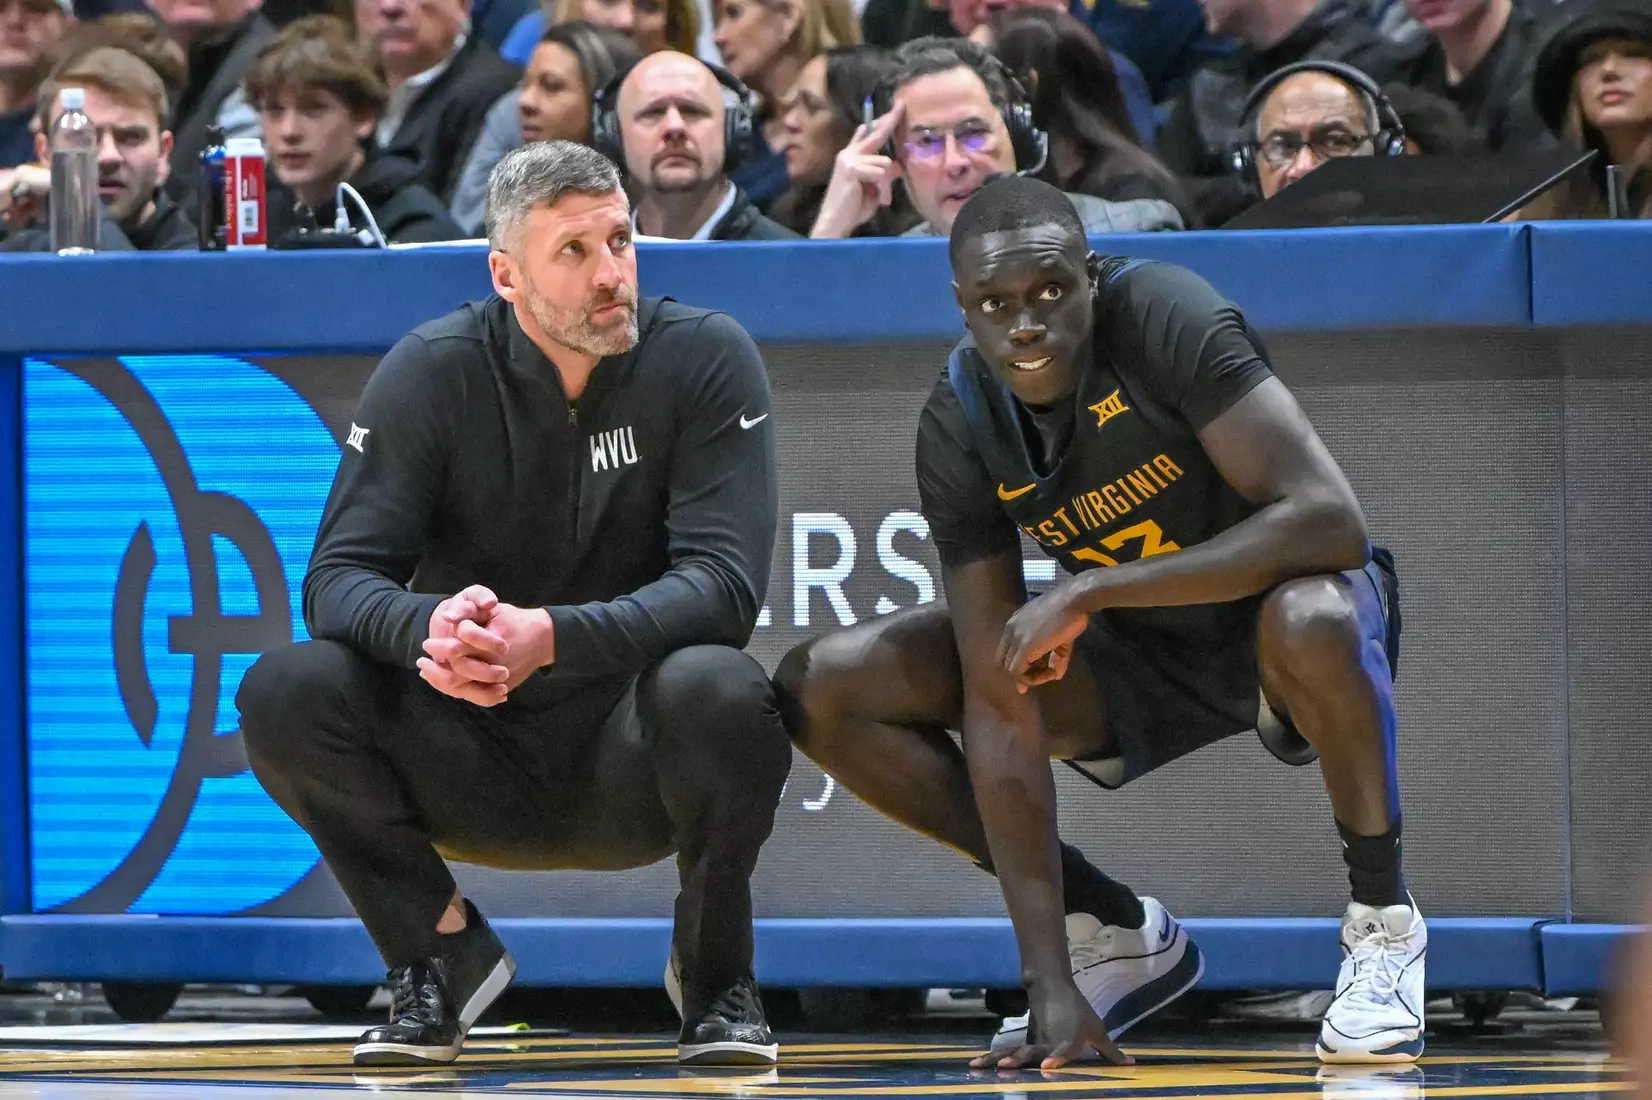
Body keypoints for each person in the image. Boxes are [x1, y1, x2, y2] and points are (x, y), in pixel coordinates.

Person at [775, 174, 1426, 1068]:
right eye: (996, 304)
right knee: (829, 683)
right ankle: (1107, 932)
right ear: (962, 308)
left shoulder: (1163, 312)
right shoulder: (960, 417)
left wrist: (1092, 592)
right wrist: (1049, 982)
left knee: (1312, 612)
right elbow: (998, 701)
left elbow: (1328, 522)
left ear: (1091, 274)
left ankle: (1384, 925)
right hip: (1138, 657)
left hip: (1282, 627)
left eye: (1049, 291)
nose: (1027, 322)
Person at [235, 139, 791, 1069]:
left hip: (631, 752)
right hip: (468, 743)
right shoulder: (433, 369)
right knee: (288, 688)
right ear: (505, 274)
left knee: (725, 688)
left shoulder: (704, 357)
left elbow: (725, 591)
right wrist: (430, 624)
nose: (610, 272)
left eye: (621, 240)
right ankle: (437, 955)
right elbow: (335, 579)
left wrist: (555, 638)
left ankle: (716, 982)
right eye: (573, 253)